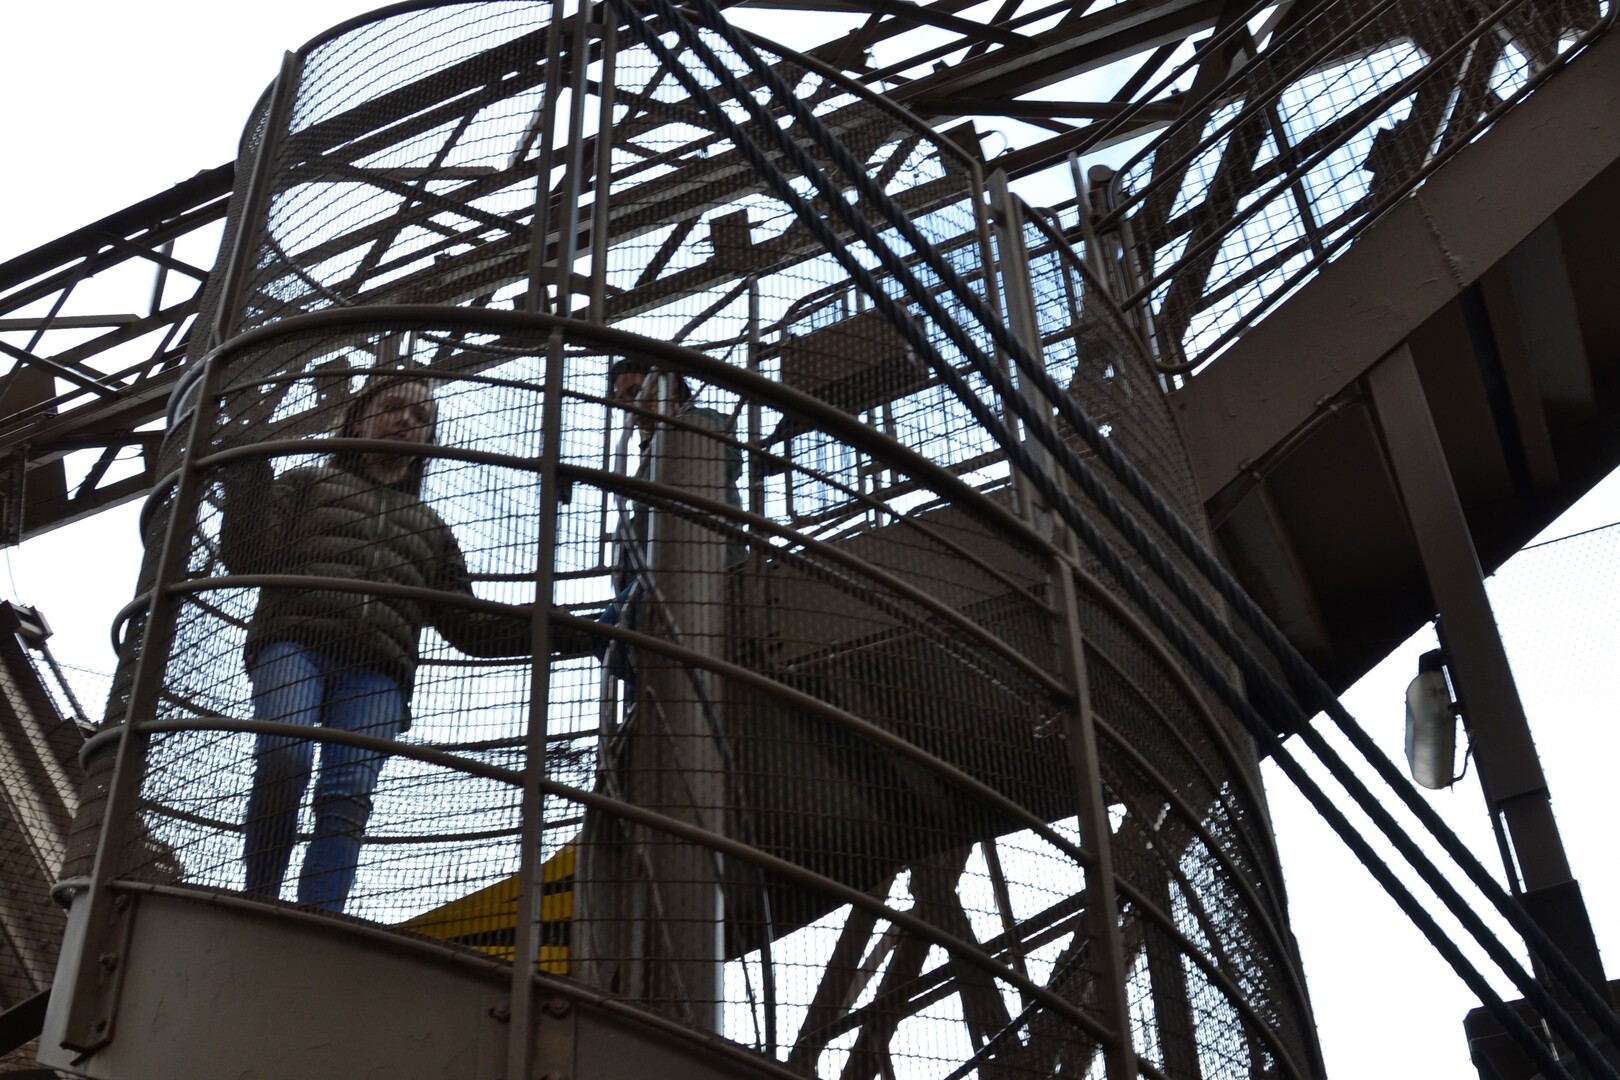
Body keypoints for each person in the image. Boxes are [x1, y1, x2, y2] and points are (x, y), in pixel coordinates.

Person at [220, 372, 530, 912]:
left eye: (421, 417)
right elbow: (247, 557)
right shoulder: (307, 483)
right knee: (285, 755)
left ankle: (318, 922)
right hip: (295, 642)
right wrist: (249, 473)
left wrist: (565, 630)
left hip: (377, 671)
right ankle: (259, 899)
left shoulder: (430, 528)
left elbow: (470, 627)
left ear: (428, 439)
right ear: (359, 419)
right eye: (392, 406)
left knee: (347, 798)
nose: (406, 420)